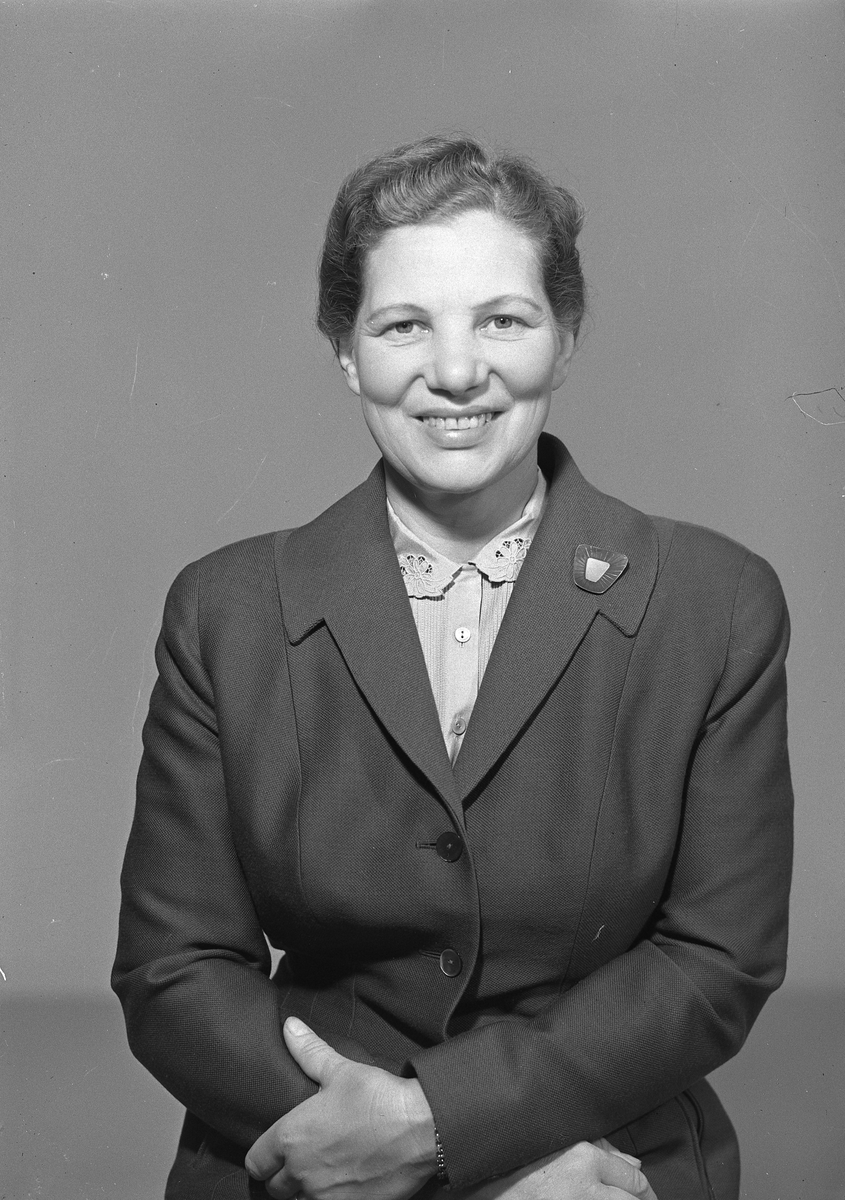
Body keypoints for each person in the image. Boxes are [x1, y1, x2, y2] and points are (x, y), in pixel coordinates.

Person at [113, 135, 793, 1200]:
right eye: (402, 326)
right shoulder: (224, 610)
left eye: (503, 320)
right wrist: (439, 1163)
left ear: (565, 339)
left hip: (603, 1157)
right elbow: (173, 971)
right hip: (306, 1150)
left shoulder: (715, 601)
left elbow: (717, 958)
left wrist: (446, 1131)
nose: (457, 370)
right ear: (347, 352)